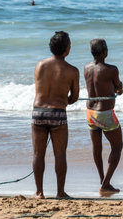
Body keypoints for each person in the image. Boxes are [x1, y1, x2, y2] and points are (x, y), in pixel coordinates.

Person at [32, 31, 79, 199]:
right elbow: (74, 97)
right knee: (60, 154)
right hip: (58, 113)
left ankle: (39, 193)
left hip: (38, 112)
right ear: (66, 49)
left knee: (38, 153)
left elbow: (40, 89)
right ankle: (60, 192)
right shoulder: (72, 70)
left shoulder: (40, 65)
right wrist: (61, 100)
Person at [84, 38, 123, 192]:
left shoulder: (86, 68)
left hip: (90, 112)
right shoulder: (111, 69)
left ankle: (102, 179)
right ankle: (106, 183)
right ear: (104, 52)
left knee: (97, 147)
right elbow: (117, 88)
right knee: (117, 146)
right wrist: (120, 89)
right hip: (104, 113)